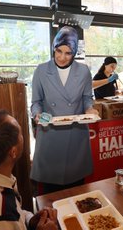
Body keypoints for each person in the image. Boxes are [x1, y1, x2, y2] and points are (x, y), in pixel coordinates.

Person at [31, 26, 98, 194]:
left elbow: (87, 98)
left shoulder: (83, 71)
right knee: (49, 195)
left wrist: (90, 109)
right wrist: (37, 114)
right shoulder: (41, 70)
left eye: (68, 53)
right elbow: (36, 102)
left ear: (74, 52)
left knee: (76, 193)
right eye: (59, 51)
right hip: (49, 131)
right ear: (53, 48)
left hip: (75, 133)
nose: (62, 57)